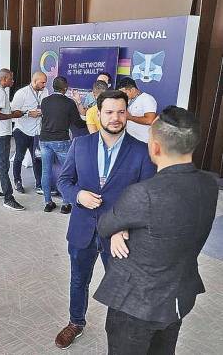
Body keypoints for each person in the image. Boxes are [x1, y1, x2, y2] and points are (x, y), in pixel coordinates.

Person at [93, 106, 217, 355]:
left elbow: (105, 225)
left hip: (137, 304)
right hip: (179, 295)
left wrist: (118, 227)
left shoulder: (144, 193)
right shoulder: (209, 184)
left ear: (156, 147)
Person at [54, 90, 156, 350]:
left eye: (121, 112)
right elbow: (64, 181)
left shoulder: (142, 152)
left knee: (121, 284)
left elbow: (146, 200)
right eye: (109, 112)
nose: (115, 118)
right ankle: (76, 322)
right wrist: (78, 196)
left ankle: (119, 330)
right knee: (78, 279)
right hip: (82, 229)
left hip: (119, 237)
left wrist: (124, 228)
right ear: (97, 114)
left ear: (127, 114)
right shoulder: (80, 145)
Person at [39, 76, 86, 213]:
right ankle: (66, 204)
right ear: (65, 88)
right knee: (66, 172)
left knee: (46, 172)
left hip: (45, 141)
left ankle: (48, 203)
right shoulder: (69, 102)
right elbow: (77, 122)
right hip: (61, 141)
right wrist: (90, 120)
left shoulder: (45, 101)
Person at [0, 69, 25, 210]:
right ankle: (8, 198)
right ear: (3, 79)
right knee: (3, 166)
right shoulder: (0, 93)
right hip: (1, 134)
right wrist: (13, 115)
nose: (13, 81)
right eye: (11, 78)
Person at [10, 71, 49, 194]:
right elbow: (12, 112)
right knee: (19, 157)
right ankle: (17, 181)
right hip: (22, 130)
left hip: (37, 131)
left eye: (45, 82)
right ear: (35, 80)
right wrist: (28, 113)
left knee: (37, 158)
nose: (44, 85)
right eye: (42, 82)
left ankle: (39, 184)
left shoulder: (45, 92)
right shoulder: (22, 93)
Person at [117, 77, 157, 143]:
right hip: (130, 140)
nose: (123, 96)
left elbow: (150, 120)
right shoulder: (128, 100)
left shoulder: (146, 98)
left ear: (132, 90)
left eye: (124, 93)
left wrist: (130, 117)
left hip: (143, 141)